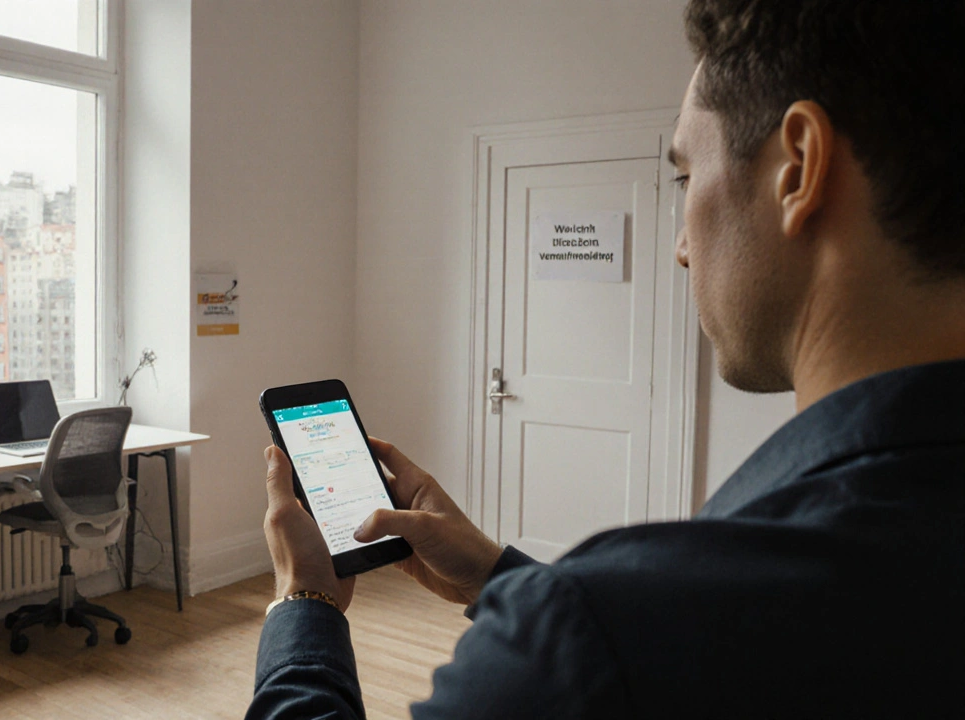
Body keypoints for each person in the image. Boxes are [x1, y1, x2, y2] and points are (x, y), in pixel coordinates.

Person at [246, 0, 965, 717]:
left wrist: (305, 602)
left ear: (797, 168)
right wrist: (497, 575)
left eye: (685, 179)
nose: (681, 248)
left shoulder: (599, 637)